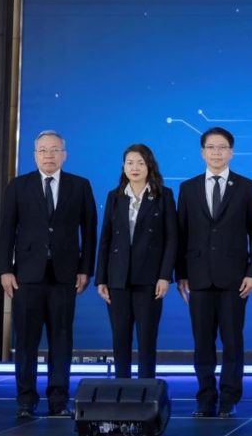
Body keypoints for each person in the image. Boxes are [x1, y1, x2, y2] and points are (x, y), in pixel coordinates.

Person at [0, 130, 97, 419]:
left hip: (65, 276)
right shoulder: (18, 186)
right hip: (26, 276)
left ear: (64, 154)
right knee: (26, 342)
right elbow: (6, 231)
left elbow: (89, 231)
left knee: (62, 341)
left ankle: (58, 400)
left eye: (54, 150)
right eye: (43, 150)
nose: (49, 155)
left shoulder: (80, 185)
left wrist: (85, 269)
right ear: (35, 155)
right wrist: (5, 270)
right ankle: (25, 400)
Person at [176, 127, 252, 418]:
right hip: (198, 276)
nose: (216, 152)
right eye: (211, 147)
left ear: (231, 152)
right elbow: (181, 233)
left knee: (232, 340)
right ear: (203, 152)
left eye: (222, 147)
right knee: (202, 342)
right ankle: (205, 397)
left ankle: (229, 397)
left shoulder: (247, 187)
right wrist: (181, 274)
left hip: (235, 278)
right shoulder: (188, 188)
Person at [95, 144, 177, 379]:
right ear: (123, 167)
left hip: (149, 278)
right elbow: (106, 239)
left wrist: (165, 276)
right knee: (120, 337)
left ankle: (146, 388)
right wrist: (101, 278)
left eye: (140, 162)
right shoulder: (115, 196)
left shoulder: (163, 196)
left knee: (147, 338)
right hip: (117, 278)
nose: (135, 167)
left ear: (149, 166)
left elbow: (172, 238)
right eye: (130, 162)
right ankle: (122, 386)